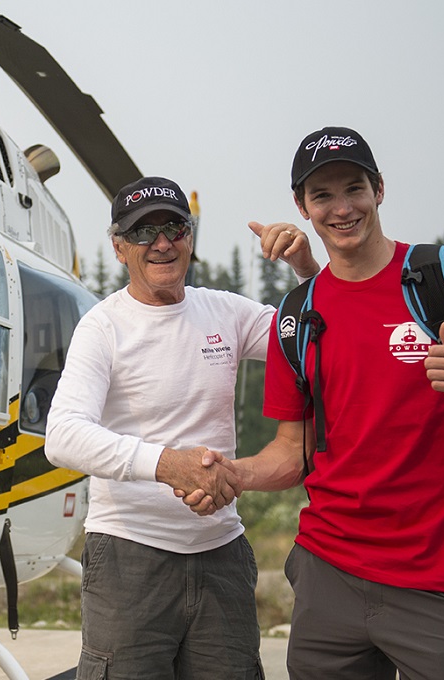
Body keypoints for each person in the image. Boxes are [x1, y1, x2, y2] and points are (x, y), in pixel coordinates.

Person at [184, 127, 444, 679]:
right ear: (302, 207)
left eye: (354, 188)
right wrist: (233, 473)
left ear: (379, 189)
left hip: (441, 584)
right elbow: (293, 452)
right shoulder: (296, 316)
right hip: (330, 581)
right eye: (322, 195)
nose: (342, 207)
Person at [45, 175, 319, 679]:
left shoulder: (226, 311)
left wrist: (305, 268)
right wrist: (169, 465)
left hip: (222, 554)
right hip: (128, 557)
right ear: (119, 247)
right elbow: (62, 435)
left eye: (174, 227)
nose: (163, 243)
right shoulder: (103, 326)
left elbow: (314, 337)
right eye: (144, 233)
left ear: (190, 236)